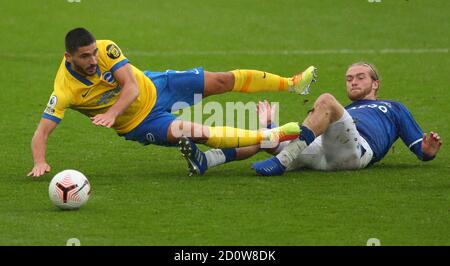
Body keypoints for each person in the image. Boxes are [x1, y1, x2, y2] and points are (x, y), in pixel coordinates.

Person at [27, 27, 317, 178]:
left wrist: (112, 112)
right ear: (69, 58)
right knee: (196, 131)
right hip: (141, 123)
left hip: (156, 85)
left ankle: (292, 83)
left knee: (222, 80)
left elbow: (130, 87)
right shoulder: (64, 90)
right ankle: (271, 135)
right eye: (85, 57)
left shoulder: (106, 48)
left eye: (93, 53)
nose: (93, 60)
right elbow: (42, 132)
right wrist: (40, 161)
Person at [180, 62, 442, 176]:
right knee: (266, 137)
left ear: (376, 83)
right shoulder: (347, 109)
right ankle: (207, 160)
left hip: (355, 153)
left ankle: (283, 160)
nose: (352, 81)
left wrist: (427, 150)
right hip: (321, 155)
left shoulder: (393, 108)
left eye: (360, 77)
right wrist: (271, 127)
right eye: (349, 78)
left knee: (326, 99)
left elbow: (420, 149)